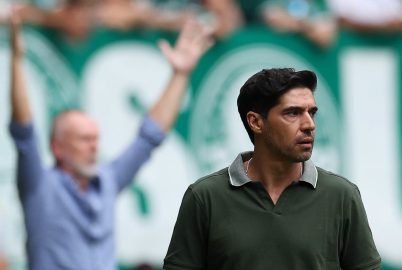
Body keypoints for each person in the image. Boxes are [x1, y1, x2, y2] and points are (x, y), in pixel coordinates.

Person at [9, 8, 213, 270]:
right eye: (84, 139)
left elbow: (149, 137)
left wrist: (180, 74)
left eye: (96, 138)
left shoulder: (106, 180)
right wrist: (16, 60)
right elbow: (24, 132)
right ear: (57, 148)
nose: (94, 146)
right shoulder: (39, 186)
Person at [164, 68, 381, 269]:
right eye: (293, 113)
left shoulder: (342, 195)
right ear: (256, 122)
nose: (309, 124)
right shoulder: (204, 197)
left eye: (311, 112)